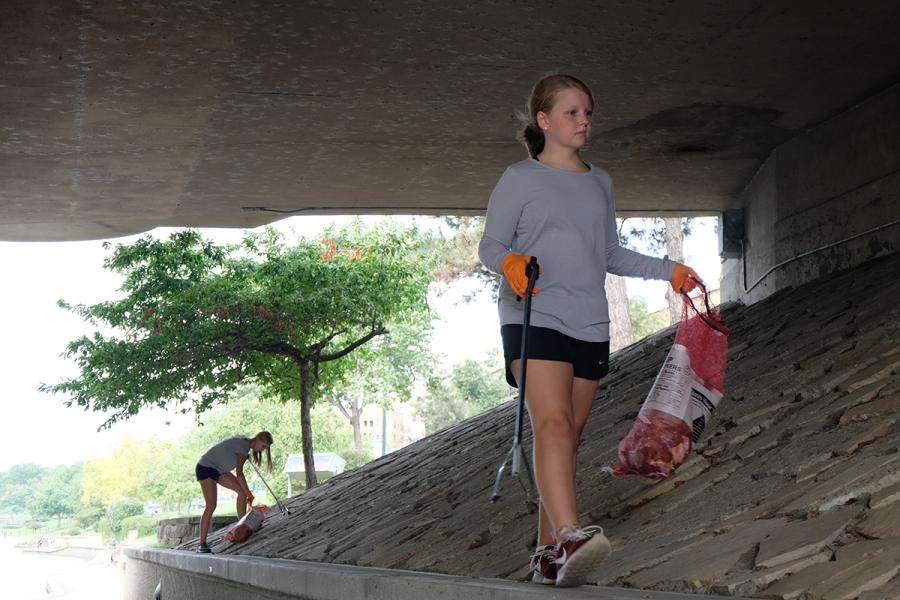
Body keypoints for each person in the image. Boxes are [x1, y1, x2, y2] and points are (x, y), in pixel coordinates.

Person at [478, 74, 701, 587]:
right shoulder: (518, 179)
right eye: (572, 113)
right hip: (532, 315)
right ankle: (571, 535)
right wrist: (509, 261)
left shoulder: (599, 181)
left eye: (588, 113)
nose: (584, 122)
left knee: (568, 438)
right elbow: (490, 245)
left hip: (589, 321)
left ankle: (545, 553)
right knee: (552, 426)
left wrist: (668, 269)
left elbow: (609, 254)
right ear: (544, 120)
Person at [195, 431, 274, 553]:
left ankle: (242, 526)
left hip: (219, 470)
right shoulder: (243, 447)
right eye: (263, 446)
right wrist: (249, 493)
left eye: (264, 448)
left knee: (241, 493)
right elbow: (239, 474)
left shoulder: (245, 444)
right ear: (257, 439)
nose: (262, 450)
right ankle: (202, 544)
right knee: (211, 505)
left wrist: (246, 493)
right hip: (206, 468)